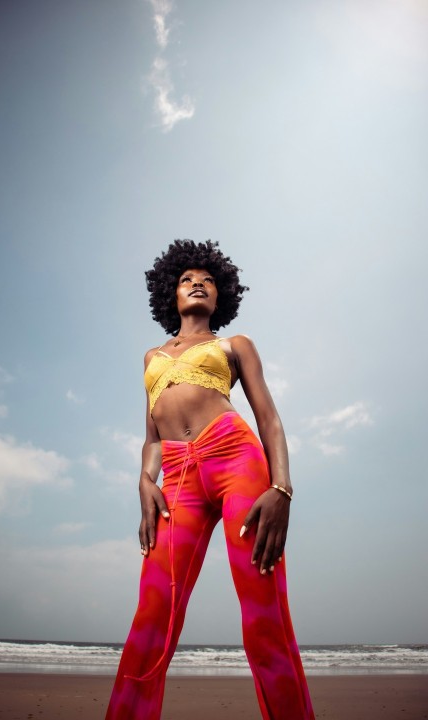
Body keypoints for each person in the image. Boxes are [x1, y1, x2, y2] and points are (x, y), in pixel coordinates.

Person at [105, 240, 315, 720]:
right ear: (170, 294)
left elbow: (270, 418)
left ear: (220, 297)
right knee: (152, 616)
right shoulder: (151, 357)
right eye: (185, 279)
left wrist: (281, 487)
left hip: (234, 456)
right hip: (176, 477)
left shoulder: (233, 344)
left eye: (208, 280)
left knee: (264, 614)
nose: (197, 283)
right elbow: (152, 434)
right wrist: (144, 480)